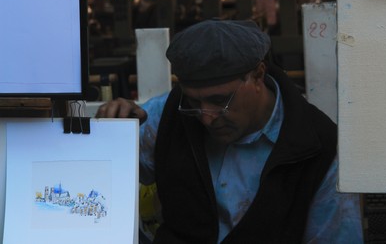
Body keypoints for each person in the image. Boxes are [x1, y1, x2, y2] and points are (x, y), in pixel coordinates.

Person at [96, 19, 363, 243]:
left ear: (258, 75)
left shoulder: (318, 147)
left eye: (219, 100)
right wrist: (113, 134)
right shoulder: (168, 114)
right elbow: (103, 179)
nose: (207, 117)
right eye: (193, 102)